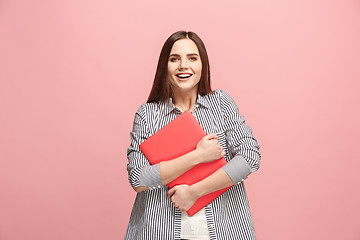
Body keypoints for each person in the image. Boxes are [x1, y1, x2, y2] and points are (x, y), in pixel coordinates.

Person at [125, 31, 261, 240]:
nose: (183, 65)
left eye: (192, 58)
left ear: (202, 65)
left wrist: (194, 193)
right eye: (174, 59)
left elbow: (249, 157)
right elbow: (138, 178)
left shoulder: (221, 103)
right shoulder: (148, 114)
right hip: (159, 231)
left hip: (224, 231)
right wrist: (198, 155)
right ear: (164, 67)